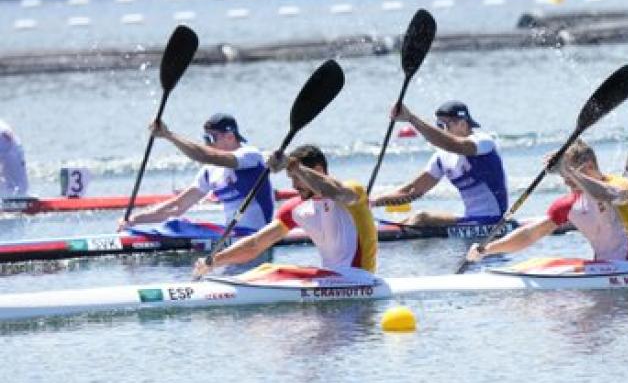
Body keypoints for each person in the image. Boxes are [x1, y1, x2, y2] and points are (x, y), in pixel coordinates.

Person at [194, 144, 378, 278]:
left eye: (296, 178)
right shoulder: (297, 208)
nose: (293, 185)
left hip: (361, 278)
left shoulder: (352, 190)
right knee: (266, 270)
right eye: (291, 177)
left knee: (274, 273)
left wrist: (294, 166)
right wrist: (214, 261)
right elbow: (256, 244)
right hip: (331, 281)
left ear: (318, 170)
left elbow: (334, 192)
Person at [465, 140, 628, 265]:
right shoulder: (569, 204)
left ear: (590, 167)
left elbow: (606, 194)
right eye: (562, 175)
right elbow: (531, 234)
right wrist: (488, 249)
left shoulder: (624, 185)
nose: (565, 181)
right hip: (604, 271)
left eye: (567, 175)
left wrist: (570, 171)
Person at [120, 113, 275, 234]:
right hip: (232, 236)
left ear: (230, 136)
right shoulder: (210, 171)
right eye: (204, 138)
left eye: (211, 138)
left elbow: (204, 155)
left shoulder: (250, 156)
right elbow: (177, 207)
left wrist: (168, 135)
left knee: (179, 227)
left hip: (256, 235)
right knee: (176, 225)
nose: (207, 143)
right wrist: (135, 220)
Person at [370, 100, 508, 227]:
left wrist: (411, 118)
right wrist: (372, 201)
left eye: (443, 125)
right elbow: (411, 191)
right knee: (408, 220)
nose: (440, 130)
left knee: (421, 218)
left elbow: (455, 145)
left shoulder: (483, 142)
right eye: (438, 125)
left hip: (494, 220)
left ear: (463, 124)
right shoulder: (442, 157)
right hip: (470, 220)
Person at [0, 119, 29, 197]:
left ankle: (19, 201)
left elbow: (8, 135)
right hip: (7, 146)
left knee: (20, 187)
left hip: (12, 149)